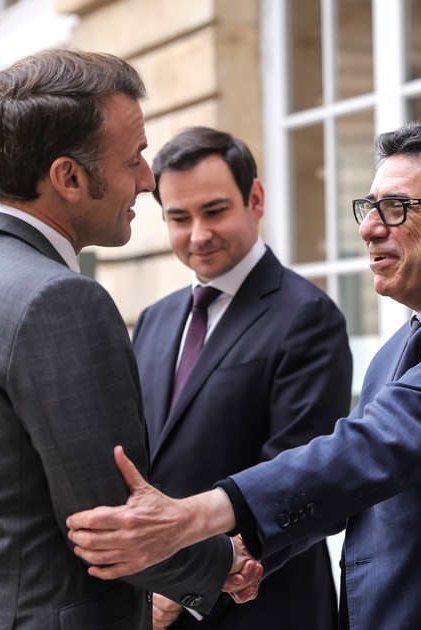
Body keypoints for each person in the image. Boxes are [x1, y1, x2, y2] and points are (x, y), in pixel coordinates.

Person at [66, 121, 421, 630]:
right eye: (369, 208)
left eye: (396, 208)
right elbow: (343, 489)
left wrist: (195, 516)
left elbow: (377, 446)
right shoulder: (397, 347)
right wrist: (225, 560)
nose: (369, 228)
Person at [0, 49, 256, 629]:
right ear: (69, 178)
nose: (147, 180)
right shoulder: (60, 299)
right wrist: (221, 561)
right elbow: (111, 521)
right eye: (133, 158)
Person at [133, 126, 350, 629]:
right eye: (179, 218)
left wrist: (190, 583)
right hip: (152, 604)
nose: (198, 235)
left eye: (214, 211)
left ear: (255, 199)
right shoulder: (153, 320)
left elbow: (301, 480)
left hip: (265, 608)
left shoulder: (308, 316)